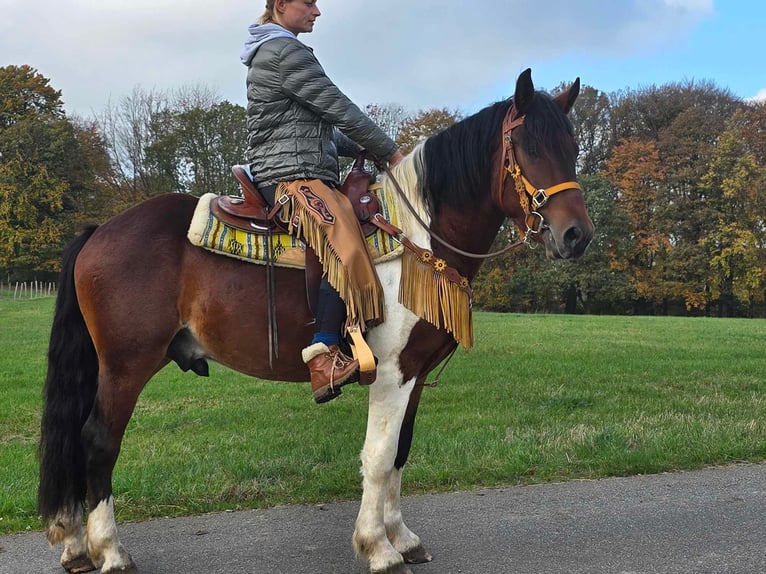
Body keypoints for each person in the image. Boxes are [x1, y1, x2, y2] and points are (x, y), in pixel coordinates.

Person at [241, 0, 404, 403]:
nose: (317, 11)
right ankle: (324, 355)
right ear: (281, 5)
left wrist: (374, 152)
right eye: (308, 2)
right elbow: (339, 109)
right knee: (342, 237)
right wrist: (394, 153)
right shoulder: (284, 51)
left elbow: (324, 130)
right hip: (289, 177)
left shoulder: (280, 49)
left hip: (301, 167)